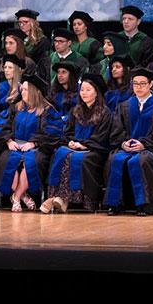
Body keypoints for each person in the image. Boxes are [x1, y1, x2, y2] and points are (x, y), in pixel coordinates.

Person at [43, 73, 113, 213]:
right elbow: (67, 132)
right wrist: (70, 142)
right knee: (60, 152)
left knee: (77, 158)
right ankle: (59, 198)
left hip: (94, 150)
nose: (84, 93)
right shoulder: (75, 111)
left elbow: (102, 137)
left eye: (88, 90)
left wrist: (85, 145)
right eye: (82, 90)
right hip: (75, 146)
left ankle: (63, 198)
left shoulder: (105, 112)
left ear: (96, 92)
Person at [0, 74, 63, 212]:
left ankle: (17, 197)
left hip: (37, 148)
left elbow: (53, 133)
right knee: (6, 160)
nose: (22, 92)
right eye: (22, 89)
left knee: (31, 161)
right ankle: (23, 196)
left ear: (33, 91)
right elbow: (0, 127)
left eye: (25, 90)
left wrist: (33, 143)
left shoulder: (47, 110)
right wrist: (8, 140)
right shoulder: (15, 108)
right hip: (15, 145)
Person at [105, 68, 153, 216]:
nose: (138, 87)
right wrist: (123, 143)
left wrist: (144, 145)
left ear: (151, 84)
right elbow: (116, 130)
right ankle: (116, 204)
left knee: (142, 160)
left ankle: (143, 205)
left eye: (142, 84)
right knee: (114, 158)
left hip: (150, 149)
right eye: (135, 84)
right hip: (127, 148)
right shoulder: (125, 105)